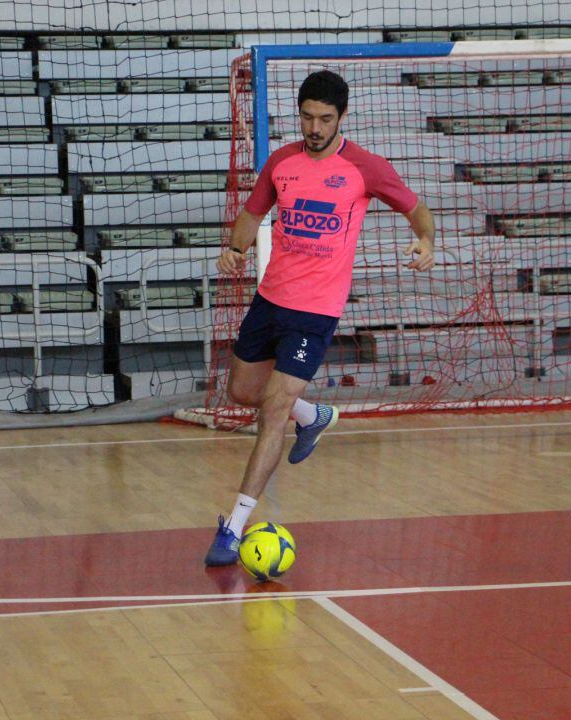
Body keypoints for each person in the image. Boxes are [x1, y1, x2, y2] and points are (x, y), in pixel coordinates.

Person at [205, 69, 436, 566]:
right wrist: (235, 248)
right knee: (242, 393)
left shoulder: (366, 168)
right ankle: (314, 416)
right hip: (271, 299)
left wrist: (426, 241)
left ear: (341, 118)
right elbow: (252, 212)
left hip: (316, 311)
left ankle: (233, 526)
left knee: (271, 408)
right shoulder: (282, 162)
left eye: (324, 119)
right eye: (307, 117)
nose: (314, 127)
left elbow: (417, 211)